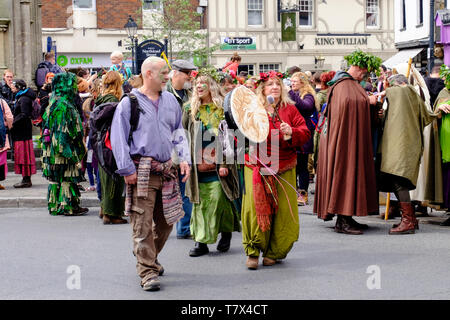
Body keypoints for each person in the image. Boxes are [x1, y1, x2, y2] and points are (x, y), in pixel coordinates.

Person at [111, 56, 191, 292]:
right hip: (140, 171)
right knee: (143, 225)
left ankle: (146, 253)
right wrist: (127, 169)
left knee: (167, 222)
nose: (168, 76)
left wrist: (184, 158)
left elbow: (178, 131)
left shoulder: (170, 101)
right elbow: (118, 139)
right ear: (148, 74)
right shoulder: (129, 103)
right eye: (164, 73)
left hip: (167, 171)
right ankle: (147, 271)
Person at [242, 71, 310, 270]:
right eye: (270, 84)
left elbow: (304, 132)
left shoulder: (290, 109)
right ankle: (253, 252)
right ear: (262, 89)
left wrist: (291, 133)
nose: (275, 87)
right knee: (255, 210)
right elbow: (239, 134)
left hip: (284, 165)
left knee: (284, 211)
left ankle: (274, 252)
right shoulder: (252, 109)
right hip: (256, 165)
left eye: (278, 84)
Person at [314, 50, 381, 235]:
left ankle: (347, 217)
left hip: (345, 138)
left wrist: (368, 103)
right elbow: (348, 104)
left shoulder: (345, 83)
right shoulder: (344, 84)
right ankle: (342, 220)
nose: (364, 75)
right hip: (343, 141)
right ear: (358, 68)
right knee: (345, 173)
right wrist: (368, 101)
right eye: (364, 71)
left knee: (349, 173)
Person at [183, 69, 241, 257]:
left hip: (219, 163)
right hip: (197, 165)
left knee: (218, 200)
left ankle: (225, 232)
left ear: (212, 86)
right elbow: (182, 136)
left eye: (203, 83)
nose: (199, 86)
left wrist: (225, 163)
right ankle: (201, 242)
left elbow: (230, 138)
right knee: (199, 203)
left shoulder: (222, 109)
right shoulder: (189, 110)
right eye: (196, 83)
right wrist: (183, 161)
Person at [377, 74, 436, 234]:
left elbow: (399, 92)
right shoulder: (410, 97)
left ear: (401, 84)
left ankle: (408, 221)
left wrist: (385, 91)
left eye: (393, 86)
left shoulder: (406, 92)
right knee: (396, 178)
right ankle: (410, 219)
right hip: (402, 144)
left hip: (402, 145)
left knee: (399, 178)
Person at [41, 72, 88, 216]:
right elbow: (65, 131)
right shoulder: (65, 105)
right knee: (67, 175)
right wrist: (68, 149)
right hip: (62, 147)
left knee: (55, 178)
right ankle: (69, 207)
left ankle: (55, 205)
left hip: (51, 148)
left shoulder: (53, 103)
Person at [166, 59, 197, 240]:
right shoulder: (164, 93)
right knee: (173, 190)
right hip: (169, 150)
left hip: (189, 146)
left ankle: (184, 227)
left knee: (186, 188)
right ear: (176, 73)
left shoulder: (191, 94)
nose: (190, 77)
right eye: (187, 73)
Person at [95, 71, 127, 225]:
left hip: (101, 143)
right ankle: (112, 214)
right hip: (111, 142)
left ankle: (104, 208)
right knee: (114, 178)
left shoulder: (100, 99)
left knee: (105, 176)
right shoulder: (114, 100)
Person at [289, 72, 318, 206]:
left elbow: (305, 107)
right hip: (293, 134)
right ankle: (293, 192)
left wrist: (292, 93)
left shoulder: (308, 95)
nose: (292, 83)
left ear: (302, 83)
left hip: (303, 135)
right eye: (292, 81)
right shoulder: (293, 94)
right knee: (293, 167)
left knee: (302, 167)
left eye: (295, 81)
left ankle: (303, 194)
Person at [10, 79, 36, 188]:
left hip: (23, 132)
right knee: (23, 155)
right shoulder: (20, 97)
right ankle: (25, 179)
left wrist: (12, 122)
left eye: (13, 86)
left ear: (19, 87)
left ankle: (26, 179)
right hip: (21, 131)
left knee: (24, 156)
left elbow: (24, 114)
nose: (12, 88)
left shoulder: (24, 99)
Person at [0, 97, 13, 189]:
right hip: (1, 135)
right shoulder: (1, 101)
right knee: (1, 159)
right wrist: (9, 126)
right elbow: (9, 116)